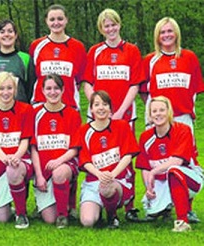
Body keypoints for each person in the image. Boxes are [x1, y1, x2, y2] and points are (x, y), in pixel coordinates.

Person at [83, 8, 145, 222]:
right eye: (106, 26)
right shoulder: (95, 51)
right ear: (101, 29)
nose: (110, 29)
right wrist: (97, 107)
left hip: (123, 114)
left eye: (113, 24)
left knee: (126, 157)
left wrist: (118, 112)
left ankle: (130, 206)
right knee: (100, 154)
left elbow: (135, 84)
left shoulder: (131, 50)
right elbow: (87, 83)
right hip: (98, 114)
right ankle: (101, 198)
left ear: (119, 25)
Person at [140, 17, 204, 223]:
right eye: (162, 32)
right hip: (157, 119)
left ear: (176, 33)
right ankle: (159, 200)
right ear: (157, 36)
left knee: (186, 163)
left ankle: (187, 208)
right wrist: (156, 113)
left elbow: (195, 89)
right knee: (156, 158)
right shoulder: (150, 60)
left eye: (170, 31)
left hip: (182, 118)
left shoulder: (189, 57)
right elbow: (144, 92)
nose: (166, 35)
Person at [136, 96, 203, 232]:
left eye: (162, 110)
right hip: (163, 181)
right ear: (149, 115)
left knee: (173, 170)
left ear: (169, 112)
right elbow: (145, 167)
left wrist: (154, 172)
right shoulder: (145, 137)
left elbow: (177, 161)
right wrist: (149, 188)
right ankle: (165, 208)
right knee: (152, 210)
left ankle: (182, 221)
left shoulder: (183, 130)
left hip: (191, 178)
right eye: (154, 111)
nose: (158, 114)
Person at [78, 90, 139, 229]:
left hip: (117, 180)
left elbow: (127, 155)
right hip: (94, 180)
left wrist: (112, 174)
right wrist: (100, 174)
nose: (101, 108)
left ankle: (112, 216)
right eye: (97, 104)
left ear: (110, 108)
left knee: (107, 187)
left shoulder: (122, 126)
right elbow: (85, 160)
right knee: (87, 221)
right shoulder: (84, 131)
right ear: (91, 109)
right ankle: (98, 209)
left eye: (105, 104)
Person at [0, 71, 34, 229]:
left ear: (15, 90)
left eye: (9, 88)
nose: (6, 92)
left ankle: (21, 214)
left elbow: (25, 140)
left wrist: (15, 156)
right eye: (1, 88)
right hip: (0, 161)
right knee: (1, 218)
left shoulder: (26, 109)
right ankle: (10, 200)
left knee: (13, 169)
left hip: (21, 160)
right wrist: (4, 157)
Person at [31, 74, 81, 229]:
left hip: (65, 164)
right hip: (44, 169)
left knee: (59, 173)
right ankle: (58, 205)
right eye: (49, 88)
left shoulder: (72, 113)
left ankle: (63, 215)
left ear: (63, 90)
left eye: (56, 88)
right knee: (48, 218)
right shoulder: (35, 113)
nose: (53, 92)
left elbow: (74, 148)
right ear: (42, 91)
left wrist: (59, 161)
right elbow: (33, 147)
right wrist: (39, 176)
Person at [29, 4, 87, 110]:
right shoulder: (36, 45)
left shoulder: (78, 47)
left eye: (60, 19)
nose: (56, 23)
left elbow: (79, 80)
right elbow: (33, 76)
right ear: (46, 21)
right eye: (52, 19)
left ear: (66, 20)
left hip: (69, 105)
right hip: (41, 105)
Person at [0, 19, 35, 106]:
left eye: (10, 31)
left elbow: (30, 89)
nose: (6, 34)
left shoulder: (26, 59)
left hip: (17, 114)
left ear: (16, 35)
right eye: (2, 32)